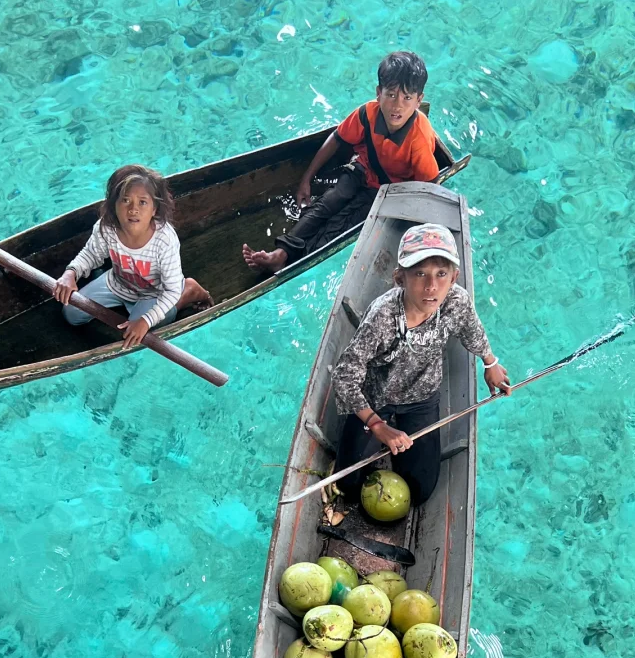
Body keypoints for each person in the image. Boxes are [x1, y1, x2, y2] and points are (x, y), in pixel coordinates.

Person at [330, 223, 510, 508]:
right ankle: (369, 433)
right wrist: (376, 424)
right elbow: (343, 376)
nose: (431, 286)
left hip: (421, 398)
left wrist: (491, 363)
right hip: (375, 398)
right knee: (347, 484)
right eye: (419, 274)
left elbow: (471, 330)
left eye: (441, 274)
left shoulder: (456, 301)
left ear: (454, 277)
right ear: (399, 277)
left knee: (420, 490)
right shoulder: (382, 316)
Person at [243, 51, 443, 274]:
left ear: (418, 101)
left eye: (407, 98)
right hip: (362, 169)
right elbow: (337, 138)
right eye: (391, 95)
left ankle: (293, 262)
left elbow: (429, 186)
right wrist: (306, 179)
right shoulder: (368, 113)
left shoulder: (419, 137)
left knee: (343, 224)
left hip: (390, 190)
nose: (398, 106)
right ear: (379, 93)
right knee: (328, 202)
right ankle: (281, 253)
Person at [53, 164, 209, 348]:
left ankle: (189, 290)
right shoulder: (108, 226)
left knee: (137, 336)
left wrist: (145, 321)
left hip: (153, 294)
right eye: (125, 201)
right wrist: (70, 273)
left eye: (143, 202)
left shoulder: (164, 240)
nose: (133, 209)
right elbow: (91, 254)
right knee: (71, 314)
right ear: (114, 205)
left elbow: (171, 291)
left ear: (154, 209)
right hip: (118, 283)